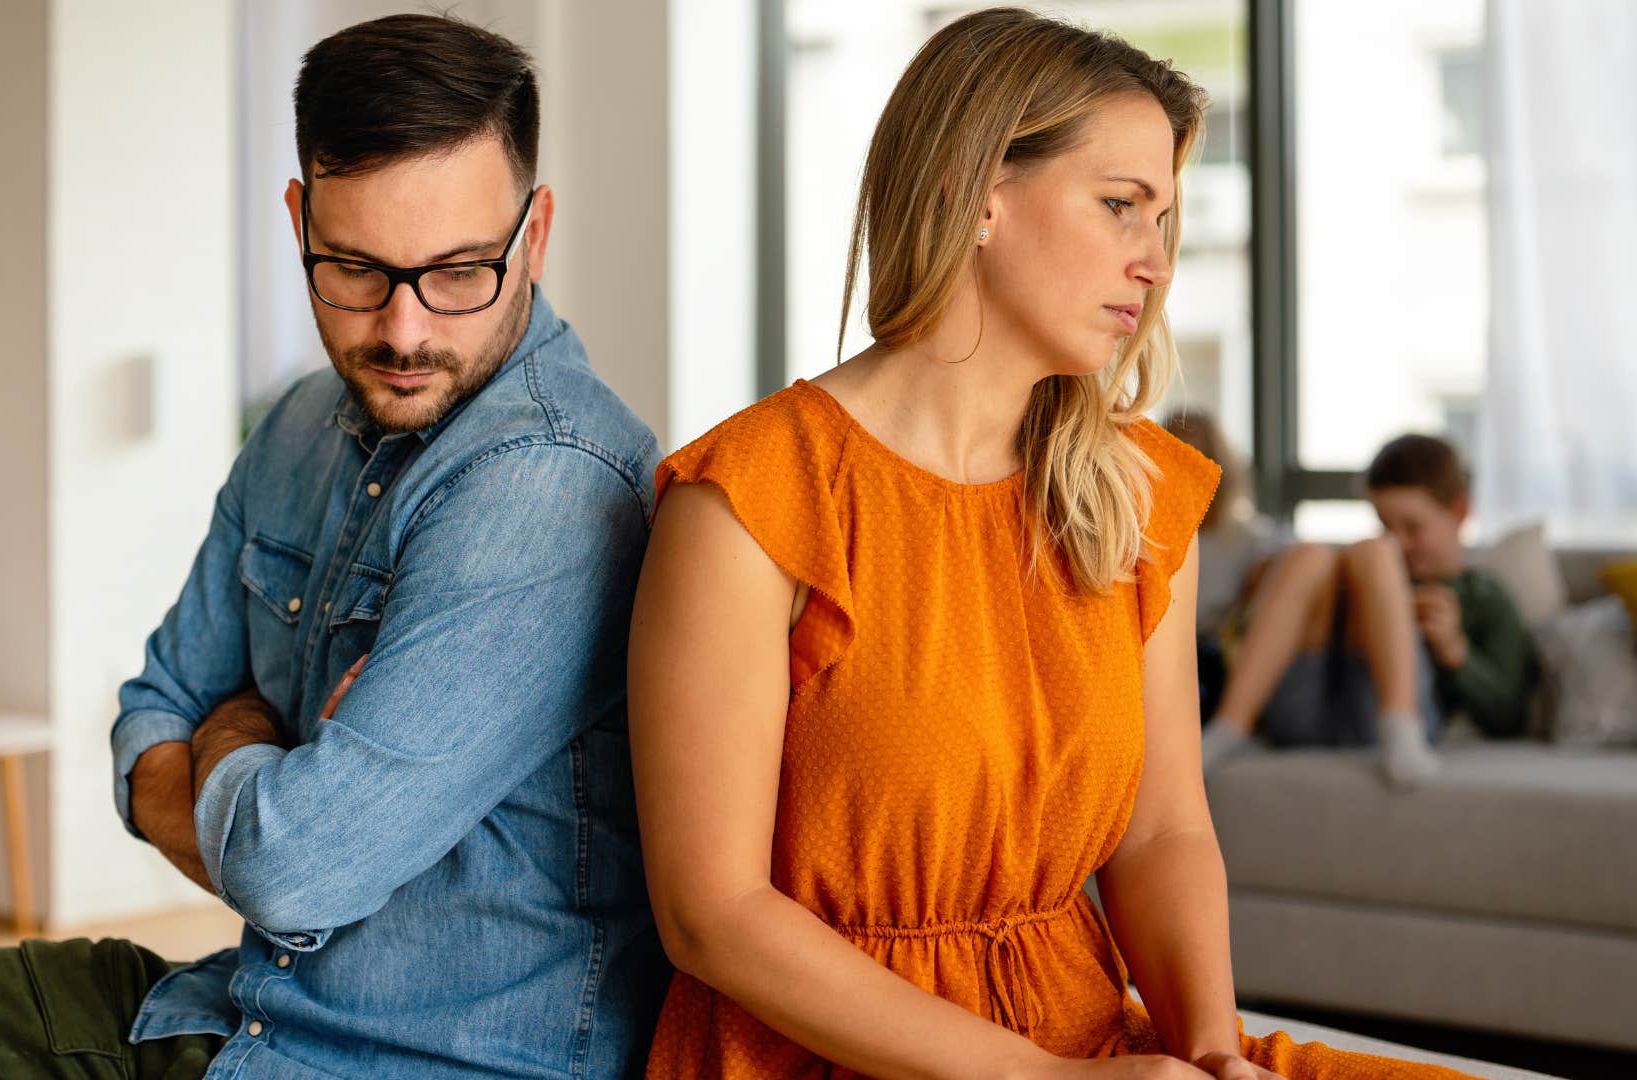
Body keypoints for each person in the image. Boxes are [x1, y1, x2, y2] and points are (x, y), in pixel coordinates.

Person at [0, 14, 667, 1078]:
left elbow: (294, 868)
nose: (407, 330)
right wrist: (268, 786)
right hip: (240, 1011)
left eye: (461, 271)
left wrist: (230, 740)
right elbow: (146, 725)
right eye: (357, 270)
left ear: (536, 233)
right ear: (298, 223)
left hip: (421, 1059)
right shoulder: (293, 429)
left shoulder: (548, 482)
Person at [625, 9, 1475, 1078]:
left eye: (1163, 220)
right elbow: (710, 914)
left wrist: (1212, 1056)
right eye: (1122, 207)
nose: (1155, 264)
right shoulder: (747, 501)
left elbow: (1163, 830)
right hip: (835, 1056)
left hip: (1092, 1039)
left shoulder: (1133, 495)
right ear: (975, 192)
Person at [1196, 434, 1533, 785]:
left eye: (1413, 527)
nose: (1397, 541)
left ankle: (1401, 725)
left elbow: (1511, 715)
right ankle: (1229, 727)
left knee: (1373, 553)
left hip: (1376, 718)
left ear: (1460, 511)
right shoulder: (1370, 565)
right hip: (1304, 710)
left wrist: (1457, 654)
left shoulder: (1486, 595)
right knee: (1308, 556)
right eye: (1386, 524)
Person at [1159, 409, 1294, 718]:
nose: (1181, 476)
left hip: (1214, 657)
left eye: (1196, 459)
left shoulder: (1253, 541)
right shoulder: (1146, 539)